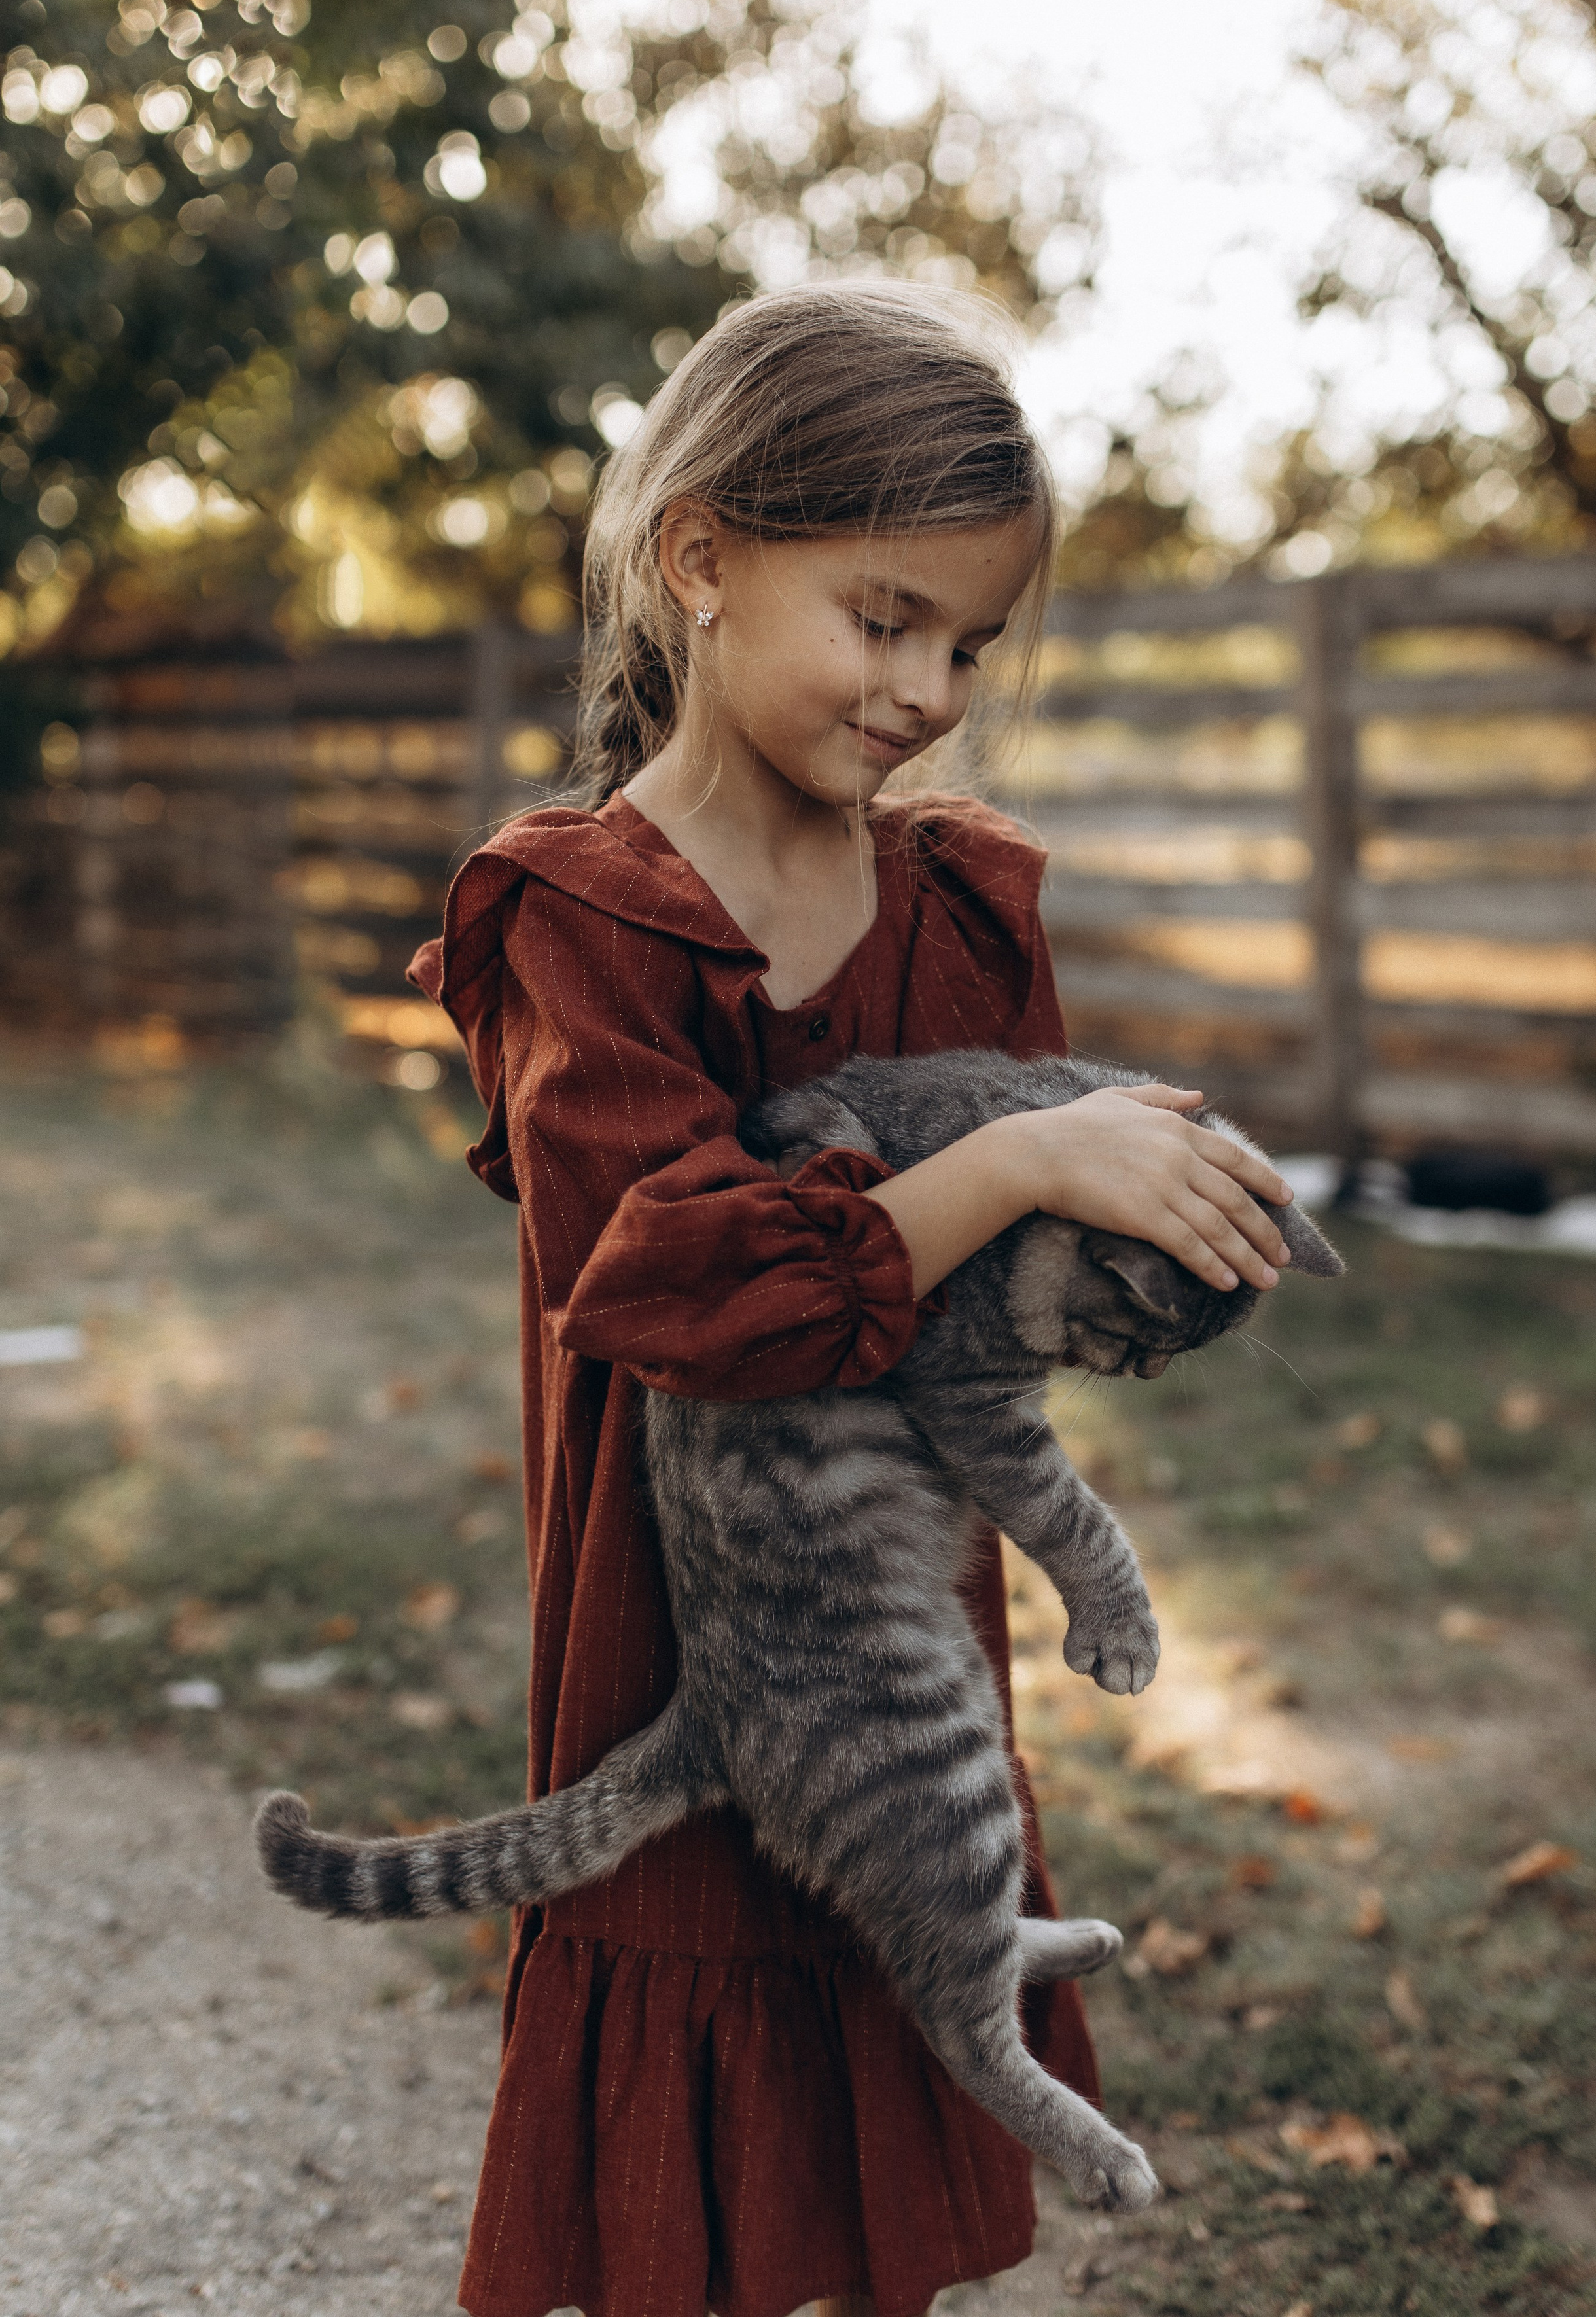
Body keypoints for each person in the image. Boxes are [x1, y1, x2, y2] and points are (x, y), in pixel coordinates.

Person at [410, 282, 1291, 2317]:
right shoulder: (579, 919)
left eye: (970, 643)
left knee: (894, 2050)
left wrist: (1142, 1216)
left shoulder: (961, 903)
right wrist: (1014, 1162)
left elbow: (1004, 1285)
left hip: (902, 1606)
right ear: (701, 560)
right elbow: (687, 1281)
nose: (928, 686)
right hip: (694, 1607)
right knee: (700, 2093)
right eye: (885, 617)